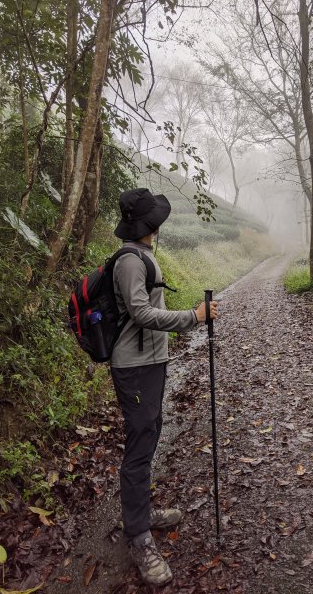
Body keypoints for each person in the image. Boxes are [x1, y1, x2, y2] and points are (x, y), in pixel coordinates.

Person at [110, 188, 218, 587]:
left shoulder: (143, 254)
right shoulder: (129, 261)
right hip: (134, 367)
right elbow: (139, 313)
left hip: (152, 362)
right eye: (155, 220)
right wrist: (193, 316)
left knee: (150, 435)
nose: (159, 225)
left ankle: (141, 514)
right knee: (140, 444)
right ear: (146, 224)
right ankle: (138, 536)